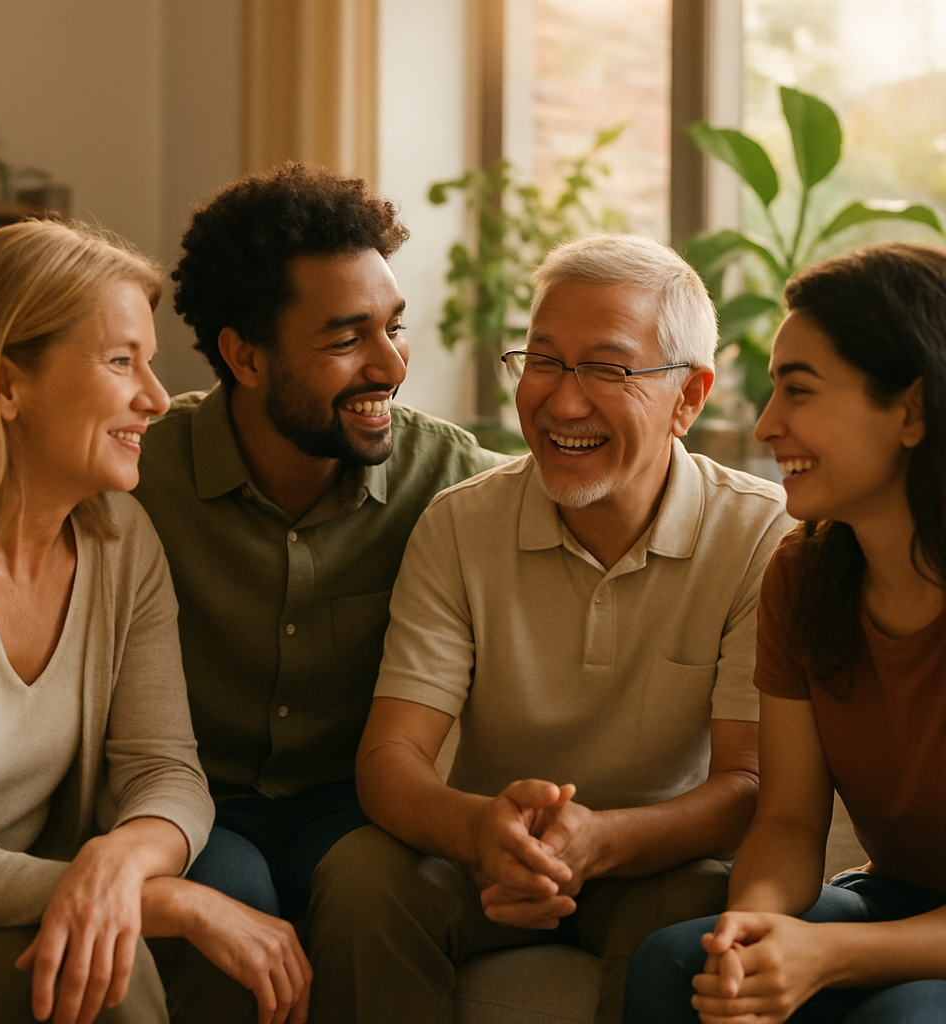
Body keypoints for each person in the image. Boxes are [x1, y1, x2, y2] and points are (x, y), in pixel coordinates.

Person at [305, 232, 794, 1023]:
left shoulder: (760, 537)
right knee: (363, 874)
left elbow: (748, 783)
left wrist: (604, 840)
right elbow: (391, 757)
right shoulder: (461, 524)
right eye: (542, 361)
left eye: (607, 369)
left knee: (703, 903)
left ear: (690, 398)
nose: (563, 402)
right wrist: (480, 831)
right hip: (486, 856)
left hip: (661, 862)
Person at [0, 219, 311, 1024]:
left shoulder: (117, 539)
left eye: (153, 365)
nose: (157, 400)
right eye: (119, 361)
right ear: (6, 386)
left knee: (171, 937)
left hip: (23, 907)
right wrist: (161, 901)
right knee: (115, 960)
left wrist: (119, 861)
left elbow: (165, 769)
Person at [132, 162, 507, 925]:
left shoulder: (451, 476)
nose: (393, 366)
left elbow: (581, 503)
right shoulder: (138, 474)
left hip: (356, 807)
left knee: (374, 891)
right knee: (227, 894)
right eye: (346, 339)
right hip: (196, 805)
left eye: (394, 326)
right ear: (245, 357)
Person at [623, 241, 946, 1024]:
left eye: (797, 391)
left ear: (910, 410)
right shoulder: (802, 575)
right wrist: (752, 926)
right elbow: (792, 818)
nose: (767, 425)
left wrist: (829, 954)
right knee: (681, 965)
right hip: (899, 898)